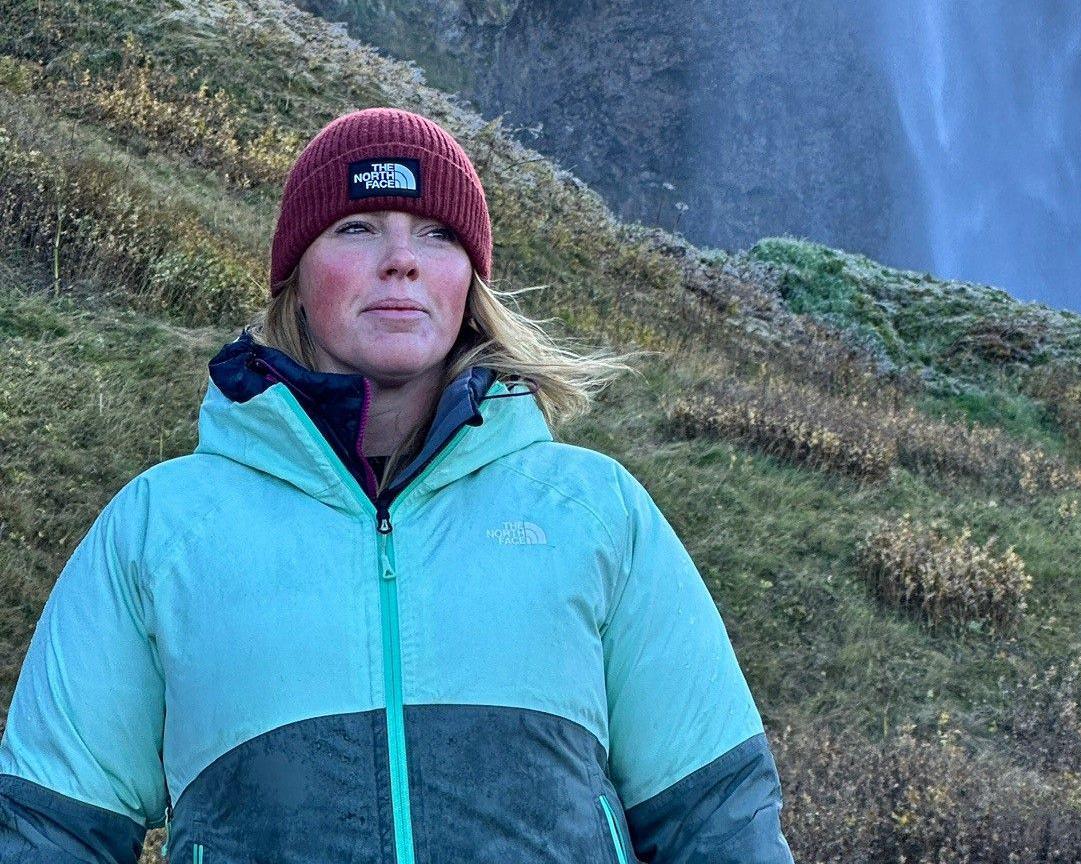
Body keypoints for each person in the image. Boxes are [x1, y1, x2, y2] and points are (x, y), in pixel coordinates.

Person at [0, 107, 795, 863]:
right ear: (295, 277)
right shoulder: (159, 530)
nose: (402, 259)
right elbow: (48, 831)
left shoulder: (595, 511)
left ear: (470, 282)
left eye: (437, 234)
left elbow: (718, 817)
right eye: (357, 227)